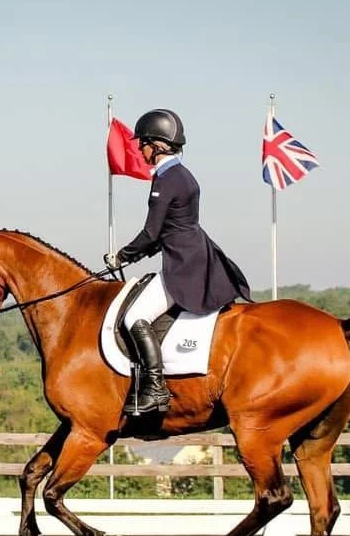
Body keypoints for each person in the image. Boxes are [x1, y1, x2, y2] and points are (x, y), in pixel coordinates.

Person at [105, 108, 253, 416]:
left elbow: (151, 232)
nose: (140, 149)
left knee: (135, 319)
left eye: (142, 144)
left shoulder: (168, 179)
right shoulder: (180, 175)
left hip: (184, 264)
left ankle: (155, 389)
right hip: (193, 255)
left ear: (156, 145)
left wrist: (122, 255)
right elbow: (166, 231)